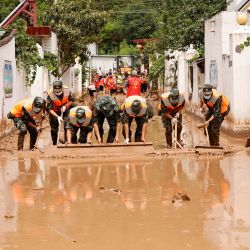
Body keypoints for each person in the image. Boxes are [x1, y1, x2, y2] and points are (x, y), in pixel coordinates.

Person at [46, 80, 74, 145]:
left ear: (62, 88)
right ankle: (55, 143)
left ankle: (67, 142)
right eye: (56, 91)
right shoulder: (50, 95)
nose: (58, 92)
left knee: (67, 126)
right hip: (54, 111)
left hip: (65, 110)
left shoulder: (67, 91)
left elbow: (71, 101)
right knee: (54, 129)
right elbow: (49, 109)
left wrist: (65, 106)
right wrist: (57, 117)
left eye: (59, 91)